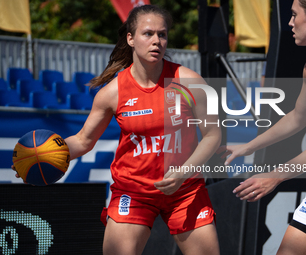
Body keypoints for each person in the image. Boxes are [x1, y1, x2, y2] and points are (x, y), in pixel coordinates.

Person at [63, 5, 221, 255]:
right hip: (134, 191)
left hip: (185, 189)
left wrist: (182, 173)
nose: (157, 41)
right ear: (130, 38)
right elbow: (83, 141)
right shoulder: (112, 93)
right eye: (148, 34)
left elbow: (213, 136)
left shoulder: (189, 81)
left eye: (162, 34)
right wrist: (43, 155)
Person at [216, 0, 306, 254]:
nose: (290, 23)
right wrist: (248, 146)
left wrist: (275, 175)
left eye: (294, 15)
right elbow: (297, 117)